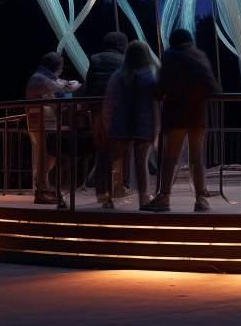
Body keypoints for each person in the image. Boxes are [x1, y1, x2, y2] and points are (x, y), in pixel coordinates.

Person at [145, 29, 221, 212]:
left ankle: (164, 198)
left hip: (175, 116)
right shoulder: (200, 56)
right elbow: (214, 88)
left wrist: (159, 93)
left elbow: (159, 88)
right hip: (198, 116)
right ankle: (200, 200)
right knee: (197, 159)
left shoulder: (170, 57)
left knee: (170, 159)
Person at [102, 41, 159, 207]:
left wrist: (108, 124)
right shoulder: (151, 74)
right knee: (141, 162)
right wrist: (157, 125)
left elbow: (109, 101)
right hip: (144, 124)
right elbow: (155, 102)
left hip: (121, 125)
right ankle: (143, 197)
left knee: (121, 161)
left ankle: (112, 196)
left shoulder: (118, 75)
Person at [25, 52, 81, 205]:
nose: (60, 70)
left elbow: (61, 83)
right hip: (41, 124)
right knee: (45, 157)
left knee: (50, 157)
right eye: (60, 67)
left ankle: (45, 188)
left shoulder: (42, 77)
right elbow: (63, 87)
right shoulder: (40, 79)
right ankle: (41, 191)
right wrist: (74, 85)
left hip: (46, 123)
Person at [86, 32, 127, 200]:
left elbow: (89, 86)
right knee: (118, 150)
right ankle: (117, 187)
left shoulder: (94, 58)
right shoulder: (125, 61)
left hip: (97, 112)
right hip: (117, 112)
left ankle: (102, 190)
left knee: (101, 149)